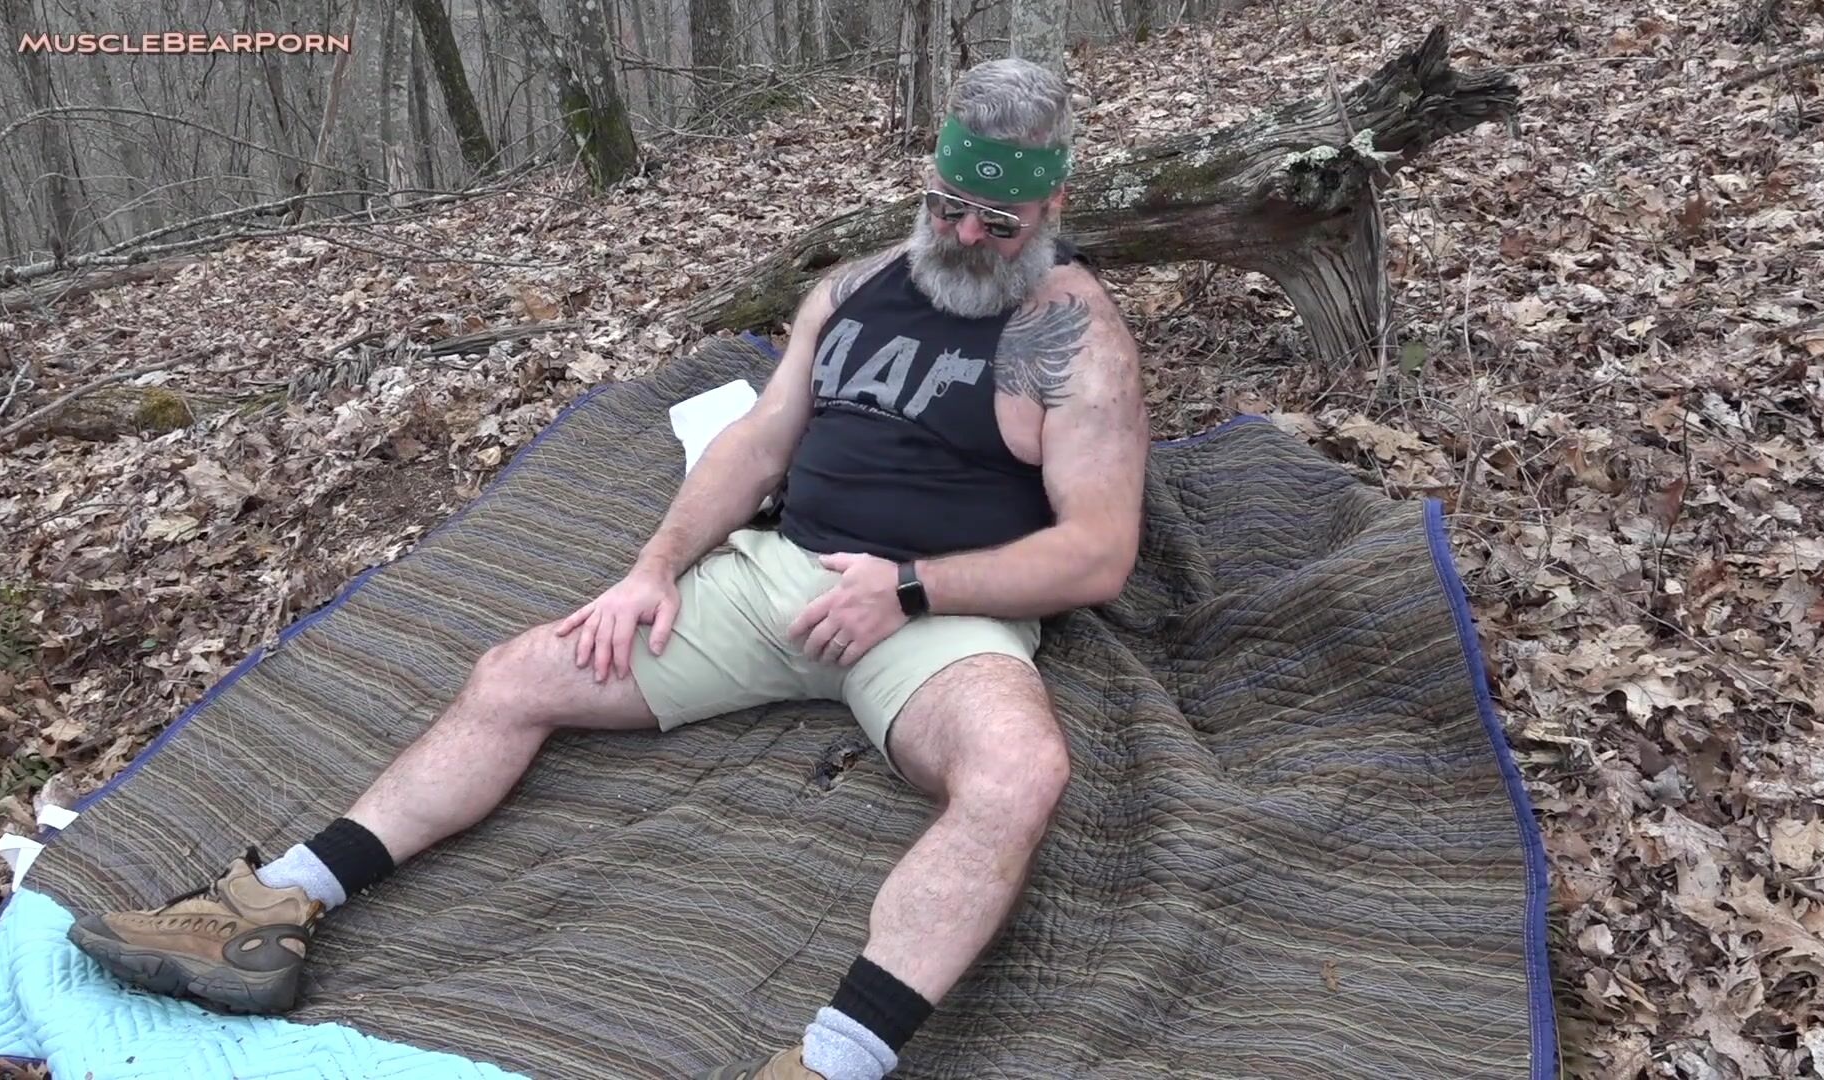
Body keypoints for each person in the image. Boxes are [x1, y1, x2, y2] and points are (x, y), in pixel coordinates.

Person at [67, 56, 1148, 1080]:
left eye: (997, 221)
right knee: (517, 675)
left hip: (938, 611)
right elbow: (758, 442)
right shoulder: (857, 287)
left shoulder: (1074, 337)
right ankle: (273, 910)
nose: (965, 235)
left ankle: (832, 1060)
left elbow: (1098, 553)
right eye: (948, 205)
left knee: (1019, 773)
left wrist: (911, 588)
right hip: (778, 576)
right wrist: (657, 567)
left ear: (1052, 206)